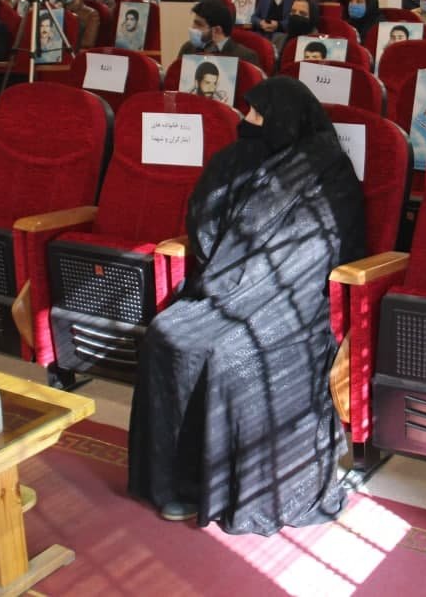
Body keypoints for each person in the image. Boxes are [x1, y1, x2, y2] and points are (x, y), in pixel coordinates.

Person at [129, 76, 364, 534]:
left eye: (258, 113)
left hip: (293, 296)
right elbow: (204, 224)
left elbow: (327, 243)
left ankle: (233, 495)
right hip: (224, 286)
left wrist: (256, 278)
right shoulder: (236, 160)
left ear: (286, 119)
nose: (247, 120)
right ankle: (178, 485)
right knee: (164, 335)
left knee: (231, 354)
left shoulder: (327, 169)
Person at [176, 0, 260, 64]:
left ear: (217, 30)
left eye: (199, 24)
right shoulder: (188, 49)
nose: (193, 28)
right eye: (194, 23)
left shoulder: (245, 57)